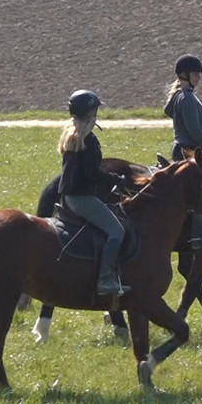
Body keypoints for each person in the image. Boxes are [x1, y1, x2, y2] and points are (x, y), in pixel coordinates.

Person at [58, 89, 130, 298]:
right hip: (82, 199)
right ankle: (105, 280)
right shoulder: (88, 139)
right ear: (90, 112)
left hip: (68, 197)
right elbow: (92, 173)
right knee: (117, 231)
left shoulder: (72, 135)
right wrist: (117, 180)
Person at [164, 53, 202, 249]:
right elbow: (195, 131)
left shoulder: (181, 96)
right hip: (187, 149)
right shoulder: (187, 98)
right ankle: (199, 234)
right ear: (185, 75)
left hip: (186, 148)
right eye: (196, 74)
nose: (199, 77)